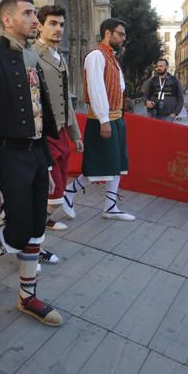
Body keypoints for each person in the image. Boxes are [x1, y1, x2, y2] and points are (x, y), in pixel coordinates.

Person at [0, 0, 63, 327]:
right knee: (20, 231)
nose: (35, 20)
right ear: (7, 20)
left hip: (36, 156)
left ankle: (27, 297)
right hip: (6, 157)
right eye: (28, 14)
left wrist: (48, 165)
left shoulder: (31, 60)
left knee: (37, 229)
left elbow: (40, 118)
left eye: (35, 14)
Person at [62, 18, 135, 222]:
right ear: (108, 33)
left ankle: (110, 206)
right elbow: (96, 89)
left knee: (118, 164)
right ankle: (69, 192)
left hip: (116, 118)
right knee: (97, 166)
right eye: (120, 34)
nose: (123, 38)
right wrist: (104, 119)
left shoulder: (112, 58)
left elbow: (117, 87)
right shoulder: (96, 55)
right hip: (102, 119)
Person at [33, 4, 83, 242]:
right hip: (44, 134)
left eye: (61, 24)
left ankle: (43, 225)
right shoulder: (32, 55)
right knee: (51, 190)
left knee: (59, 186)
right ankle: (32, 240)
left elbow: (68, 99)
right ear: (40, 25)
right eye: (52, 23)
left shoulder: (59, 57)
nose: (58, 29)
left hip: (61, 131)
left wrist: (75, 134)